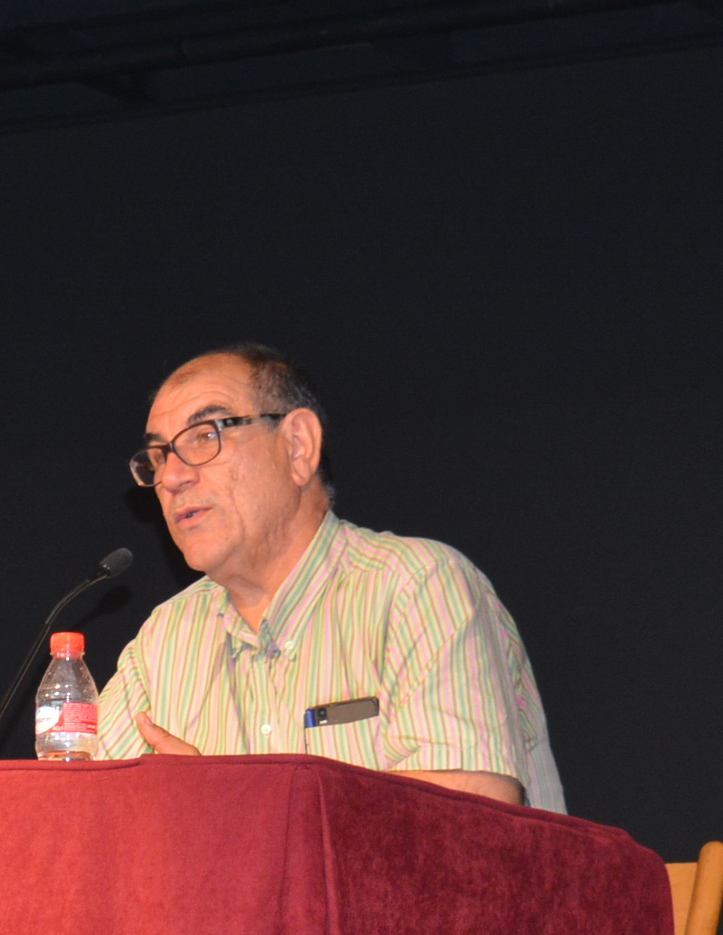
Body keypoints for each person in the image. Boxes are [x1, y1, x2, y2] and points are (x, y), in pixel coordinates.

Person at [94, 344, 564, 813]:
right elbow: (81, 813)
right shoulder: (163, 642)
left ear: (298, 446)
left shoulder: (417, 588)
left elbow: (465, 824)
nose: (172, 476)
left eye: (204, 435)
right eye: (157, 456)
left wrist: (227, 809)